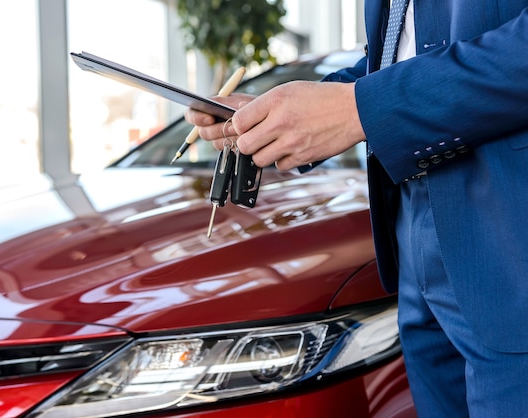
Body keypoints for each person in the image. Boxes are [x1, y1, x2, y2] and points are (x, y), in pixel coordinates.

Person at [185, 1, 528, 416]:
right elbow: (402, 54)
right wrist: (279, 114)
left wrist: (359, 109)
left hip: (510, 231)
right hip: (412, 233)